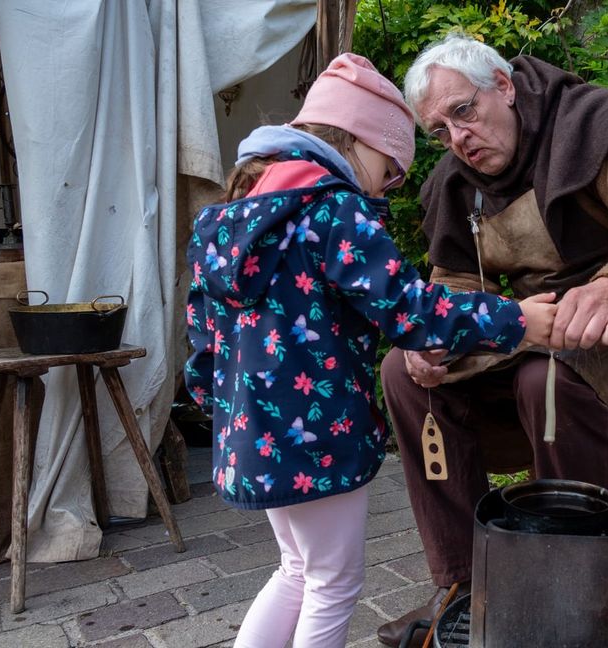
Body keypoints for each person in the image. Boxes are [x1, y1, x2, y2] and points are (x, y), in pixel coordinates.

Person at [377, 34, 608, 646]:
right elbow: (455, 284)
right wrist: (434, 334)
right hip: (541, 328)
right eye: (440, 131)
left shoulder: (587, 122)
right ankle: (468, 587)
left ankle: (571, 597)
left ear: (504, 86)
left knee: (547, 377)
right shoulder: (456, 182)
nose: (458, 138)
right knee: (403, 371)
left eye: (464, 111)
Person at [183, 53, 558, 648]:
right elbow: (412, 310)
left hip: (251, 433)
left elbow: (202, 340)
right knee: (332, 583)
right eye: (390, 167)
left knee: (297, 570)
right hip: (318, 435)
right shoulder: (333, 209)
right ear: (359, 140)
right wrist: (519, 320)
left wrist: (221, 408)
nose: (389, 185)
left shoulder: (234, 216)